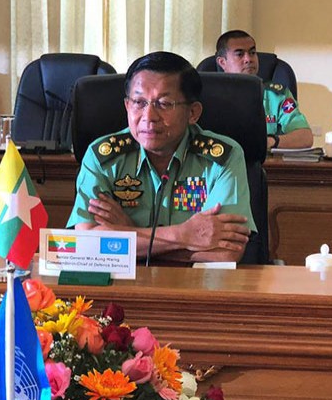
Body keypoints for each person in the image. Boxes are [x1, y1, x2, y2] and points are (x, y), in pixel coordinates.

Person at [67, 51, 254, 263]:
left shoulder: (223, 157)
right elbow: (87, 242)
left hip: (198, 287)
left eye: (164, 104)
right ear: (127, 106)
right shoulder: (102, 156)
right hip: (123, 286)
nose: (149, 117)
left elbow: (226, 252)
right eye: (139, 102)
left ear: (193, 113)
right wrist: (183, 235)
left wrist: (130, 233)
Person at [215, 30, 314, 151]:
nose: (248, 59)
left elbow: (305, 137)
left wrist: (270, 141)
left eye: (252, 53)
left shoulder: (277, 96)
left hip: (266, 165)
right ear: (222, 62)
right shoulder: (210, 96)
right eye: (240, 54)